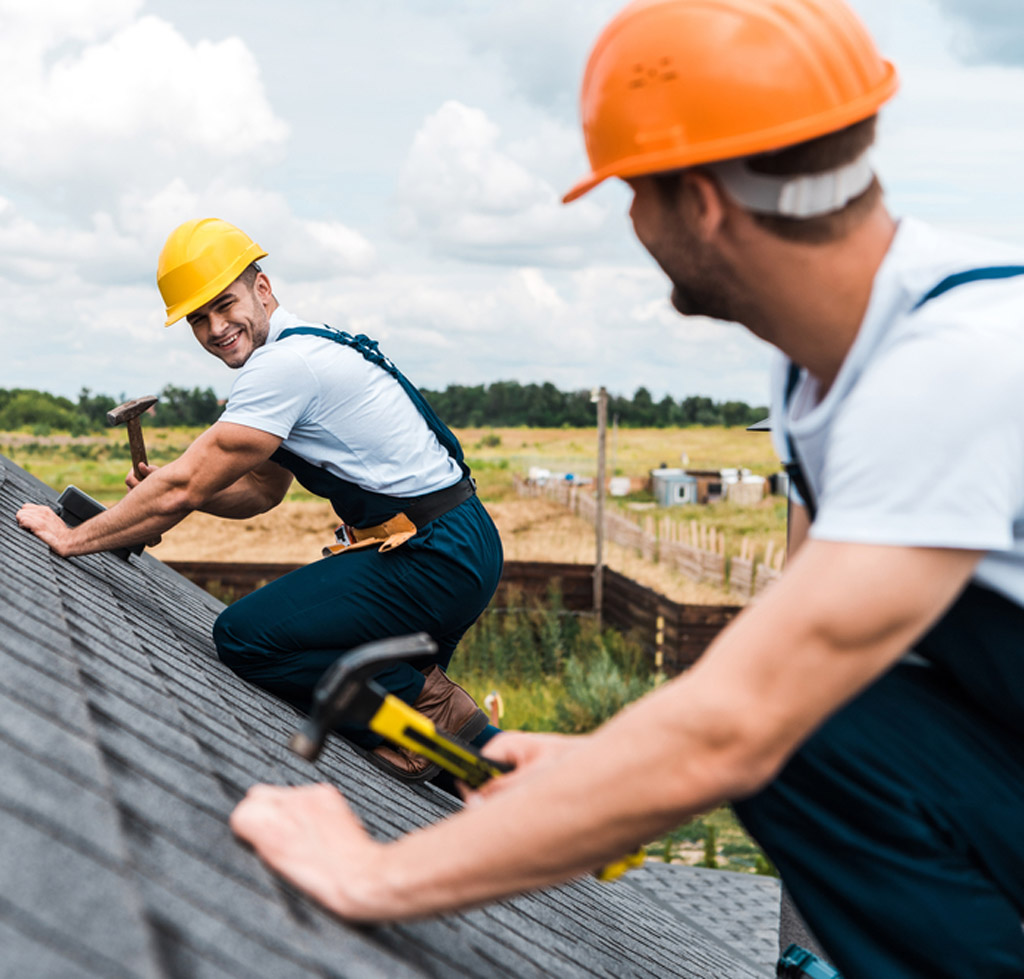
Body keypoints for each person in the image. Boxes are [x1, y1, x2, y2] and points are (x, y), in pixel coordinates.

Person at [229, 1, 1024, 975]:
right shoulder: (820, 367)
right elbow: (793, 670)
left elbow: (741, 719)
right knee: (818, 725)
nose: (630, 222)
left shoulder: (953, 369)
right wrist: (599, 768)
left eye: (629, 193)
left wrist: (373, 875)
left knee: (794, 728)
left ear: (700, 201)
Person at [16, 218, 504, 781]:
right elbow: (260, 491)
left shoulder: (282, 368)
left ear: (263, 289)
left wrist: (75, 537)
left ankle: (432, 710)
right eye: (199, 319)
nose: (216, 327)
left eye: (225, 305)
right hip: (459, 543)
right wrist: (178, 491)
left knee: (248, 638)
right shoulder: (302, 350)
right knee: (432, 732)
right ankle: (527, 800)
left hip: (430, 557)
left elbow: (183, 485)